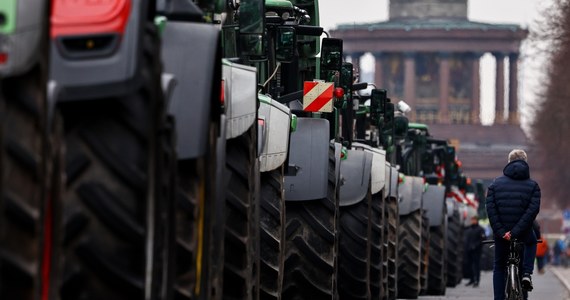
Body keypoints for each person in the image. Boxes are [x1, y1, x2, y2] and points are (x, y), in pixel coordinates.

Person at [486, 149, 541, 300]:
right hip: (522, 233)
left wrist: (502, 231)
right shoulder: (533, 186)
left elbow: (491, 210)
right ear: (525, 162)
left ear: (509, 162)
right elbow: (532, 211)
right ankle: (527, 274)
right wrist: (516, 231)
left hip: (502, 234)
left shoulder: (494, 185)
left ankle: (498, 298)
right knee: (531, 242)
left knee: (499, 266)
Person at [464, 215, 487, 287]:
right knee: (469, 265)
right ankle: (471, 279)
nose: (472, 221)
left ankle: (477, 280)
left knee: (476, 266)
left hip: (477, 251)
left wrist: (475, 246)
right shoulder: (469, 229)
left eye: (474, 220)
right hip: (469, 250)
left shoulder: (480, 229)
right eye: (472, 220)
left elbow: (483, 239)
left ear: (477, 220)